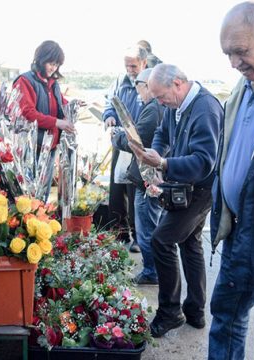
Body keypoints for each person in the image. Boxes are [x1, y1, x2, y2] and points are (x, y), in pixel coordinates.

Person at [129, 63, 222, 337]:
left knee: (161, 239)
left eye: (161, 96)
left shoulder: (206, 108)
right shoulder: (176, 105)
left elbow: (204, 162)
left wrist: (165, 163)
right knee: (191, 243)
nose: (159, 102)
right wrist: (154, 157)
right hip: (188, 187)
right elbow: (162, 132)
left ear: (178, 83)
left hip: (200, 190)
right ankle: (195, 310)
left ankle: (170, 312)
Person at [208, 2, 254, 359]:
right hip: (237, 234)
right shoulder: (242, 90)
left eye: (240, 51)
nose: (233, 62)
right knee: (225, 320)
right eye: (228, 53)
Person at [112, 68, 164, 285]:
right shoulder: (155, 107)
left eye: (139, 88)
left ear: (147, 86)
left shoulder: (152, 109)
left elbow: (137, 140)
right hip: (150, 176)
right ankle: (154, 270)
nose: (138, 93)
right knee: (148, 226)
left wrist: (117, 139)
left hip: (147, 177)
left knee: (146, 229)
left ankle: (152, 272)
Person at [13, 40, 75, 202]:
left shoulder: (53, 83)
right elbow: (28, 113)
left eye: (56, 65)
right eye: (51, 63)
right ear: (41, 59)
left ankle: (43, 224)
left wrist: (73, 106)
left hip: (50, 146)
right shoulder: (24, 81)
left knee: (44, 193)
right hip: (32, 148)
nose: (53, 68)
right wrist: (58, 123)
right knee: (30, 195)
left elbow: (61, 103)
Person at [103, 44, 148, 252]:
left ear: (144, 63)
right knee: (117, 188)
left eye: (133, 65)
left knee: (135, 189)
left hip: (140, 145)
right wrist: (109, 116)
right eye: (127, 65)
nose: (130, 69)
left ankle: (139, 236)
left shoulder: (149, 82)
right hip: (120, 141)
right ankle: (119, 232)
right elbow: (109, 103)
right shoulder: (120, 82)